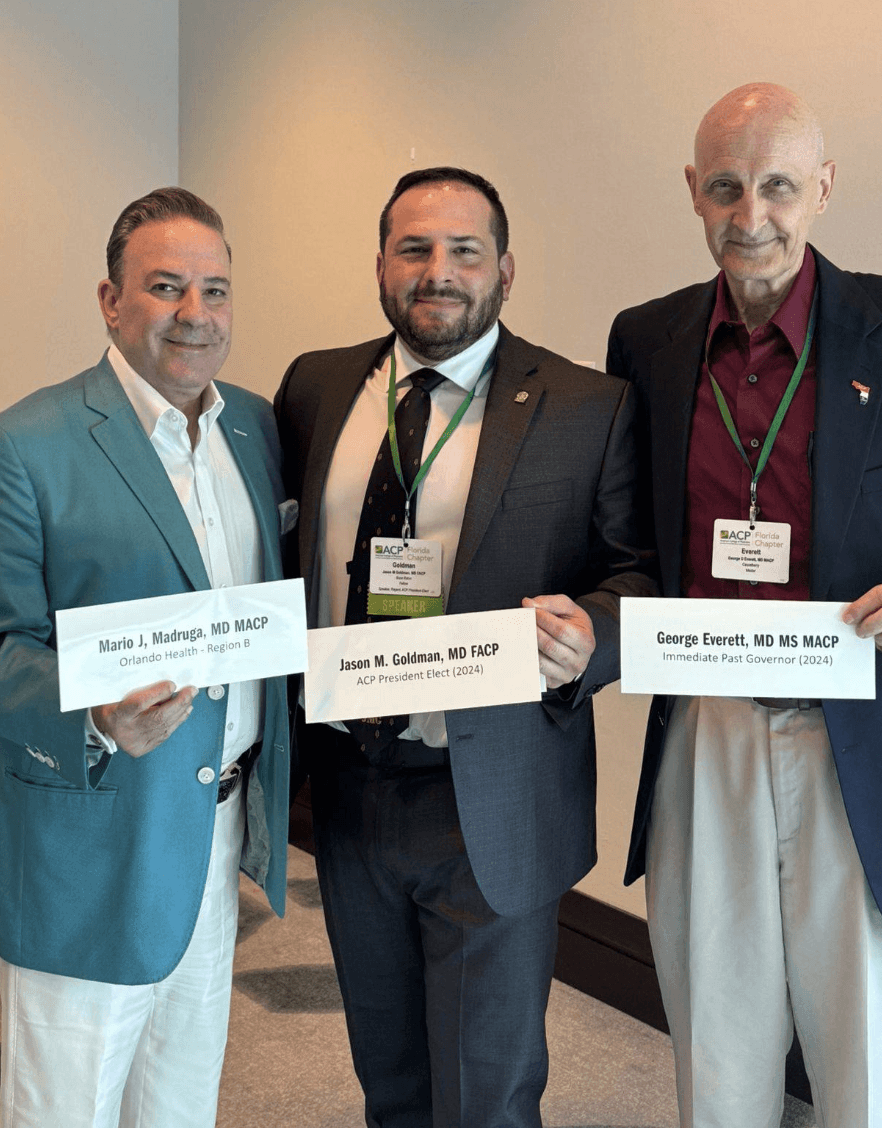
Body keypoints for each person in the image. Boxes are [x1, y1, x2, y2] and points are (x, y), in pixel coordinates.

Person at [607, 83, 882, 1128]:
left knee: (874, 1080)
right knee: (717, 1058)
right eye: (724, 187)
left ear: (825, 189)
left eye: (777, 186)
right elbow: (624, 537)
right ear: (691, 192)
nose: (748, 214)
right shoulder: (647, 342)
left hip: (875, 744)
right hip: (706, 740)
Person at [273, 166, 656, 1128]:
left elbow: (636, 573)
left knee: (487, 1089)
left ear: (506, 270)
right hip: (350, 786)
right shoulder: (317, 386)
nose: (437, 271)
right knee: (389, 1072)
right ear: (381, 264)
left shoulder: (584, 405)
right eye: (414, 248)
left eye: (463, 250)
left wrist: (593, 639)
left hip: (492, 787)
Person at [0, 187, 292, 1128]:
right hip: (88, 843)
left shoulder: (255, 430)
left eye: (216, 291)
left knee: (180, 1102)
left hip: (218, 832)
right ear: (110, 300)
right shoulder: (19, 446)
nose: (196, 314)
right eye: (166, 286)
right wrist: (94, 714)